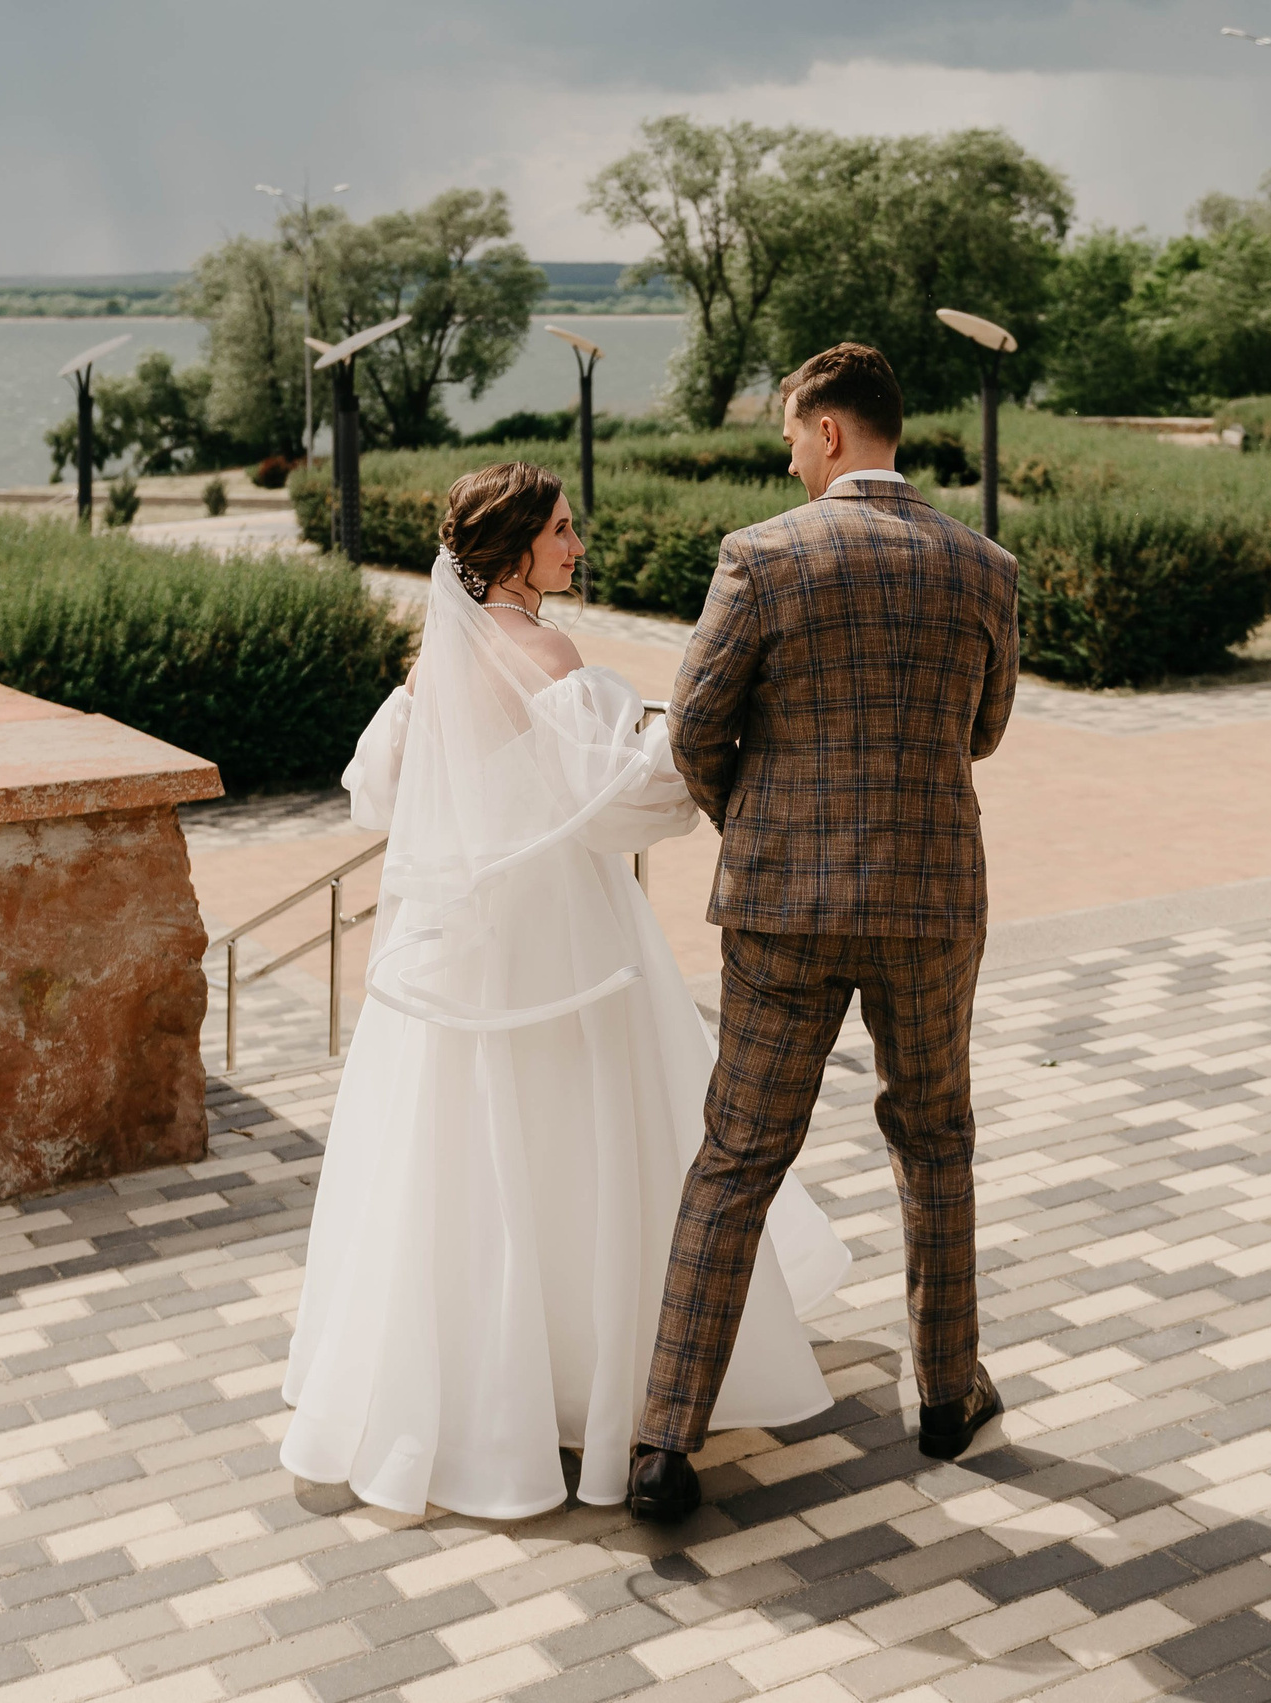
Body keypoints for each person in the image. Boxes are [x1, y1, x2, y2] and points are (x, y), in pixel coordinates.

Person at [280, 463, 849, 1520]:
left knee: (461, 1149)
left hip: (457, 943)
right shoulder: (549, 655)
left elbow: (374, 794)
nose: (576, 544)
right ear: (513, 549)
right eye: (562, 528)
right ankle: (600, 1374)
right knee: (587, 1137)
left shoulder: (426, 674)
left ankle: (471, 1385)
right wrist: (694, 753)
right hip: (563, 933)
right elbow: (619, 808)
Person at [628, 344, 1021, 1523]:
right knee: (935, 1137)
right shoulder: (984, 565)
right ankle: (947, 1394)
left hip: (783, 907)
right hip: (930, 898)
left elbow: (694, 731)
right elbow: (985, 730)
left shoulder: (759, 557)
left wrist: (762, 818)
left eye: (794, 433)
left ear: (833, 432)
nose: (786, 452)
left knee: (738, 1155)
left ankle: (664, 1439)